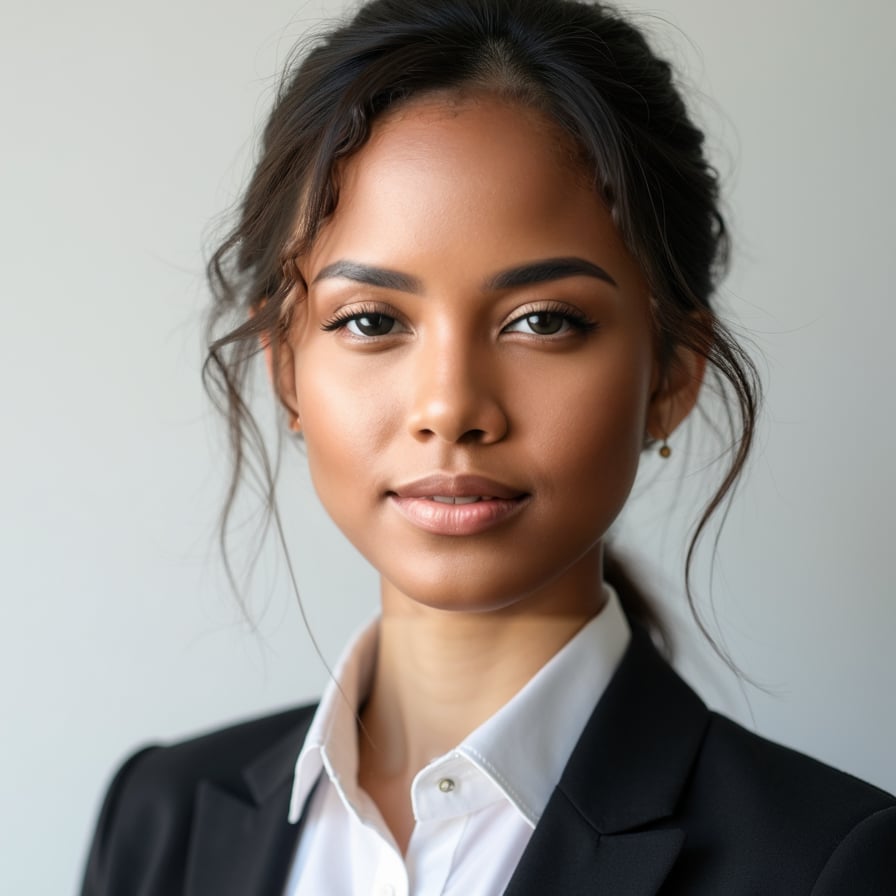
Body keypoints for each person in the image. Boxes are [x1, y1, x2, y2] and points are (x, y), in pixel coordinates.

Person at [79, 1, 896, 893]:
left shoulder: (828, 864)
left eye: (543, 321)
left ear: (671, 374)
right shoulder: (161, 817)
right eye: (371, 320)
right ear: (286, 375)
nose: (450, 407)